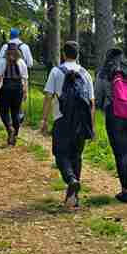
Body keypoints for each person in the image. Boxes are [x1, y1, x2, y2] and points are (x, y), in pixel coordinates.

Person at [41, 40, 95, 209]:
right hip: (81, 121)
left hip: (61, 119)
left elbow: (48, 97)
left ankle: (71, 179)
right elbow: (91, 103)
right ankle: (73, 198)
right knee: (76, 156)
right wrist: (91, 127)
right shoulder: (86, 74)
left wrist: (44, 120)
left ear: (64, 54)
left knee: (60, 154)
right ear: (78, 55)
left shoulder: (56, 72)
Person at [95, 48, 127, 203]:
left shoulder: (104, 73)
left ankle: (126, 191)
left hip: (115, 115)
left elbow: (97, 98)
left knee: (121, 153)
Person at [0, 41, 29, 146]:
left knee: (3, 111)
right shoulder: (21, 62)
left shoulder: (2, 62)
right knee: (16, 112)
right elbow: (25, 78)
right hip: (18, 89)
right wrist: (25, 91)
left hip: (6, 88)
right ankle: (15, 136)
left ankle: (9, 128)